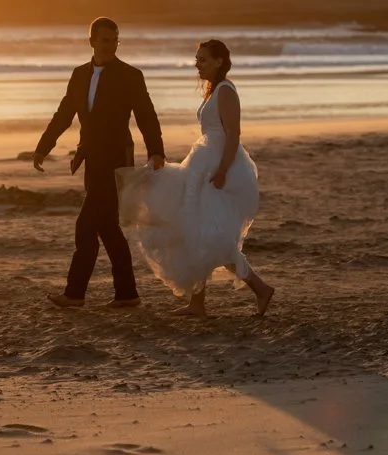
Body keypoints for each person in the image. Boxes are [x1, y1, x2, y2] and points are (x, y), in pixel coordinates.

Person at [116, 39, 274, 317]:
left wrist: (223, 170)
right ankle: (198, 303)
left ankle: (260, 288)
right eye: (196, 59)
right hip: (203, 162)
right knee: (193, 228)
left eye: (203, 59)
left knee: (210, 234)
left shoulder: (225, 90)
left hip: (217, 165)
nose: (197, 64)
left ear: (219, 61)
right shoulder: (212, 90)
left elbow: (234, 135)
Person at [33, 17, 165, 308]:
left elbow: (146, 115)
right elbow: (64, 113)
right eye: (105, 40)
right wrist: (43, 147)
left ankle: (75, 293)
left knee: (85, 225)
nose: (110, 45)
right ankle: (127, 294)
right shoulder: (79, 74)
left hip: (116, 160)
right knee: (106, 227)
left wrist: (156, 151)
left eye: (115, 40)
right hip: (91, 158)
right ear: (92, 41)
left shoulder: (130, 75)